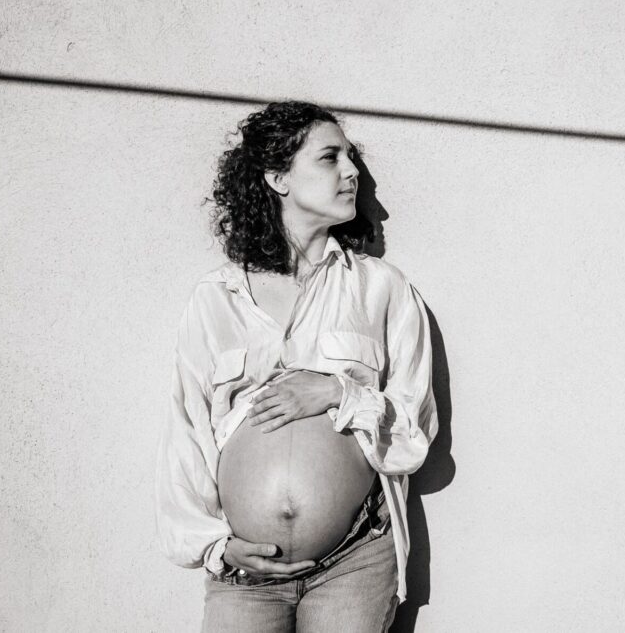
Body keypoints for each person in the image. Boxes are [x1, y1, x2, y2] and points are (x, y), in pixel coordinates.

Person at [155, 100, 438, 632]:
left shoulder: (380, 288)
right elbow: (186, 429)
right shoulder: (217, 298)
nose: (351, 172)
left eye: (350, 158)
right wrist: (216, 546)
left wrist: (338, 392)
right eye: (330, 158)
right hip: (243, 568)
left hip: (354, 561)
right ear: (278, 177)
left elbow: (415, 428)